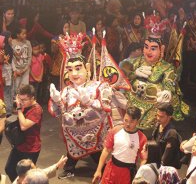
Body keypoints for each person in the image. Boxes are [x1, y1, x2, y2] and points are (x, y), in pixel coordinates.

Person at [48, 33, 127, 179]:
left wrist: (89, 101)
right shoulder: (67, 90)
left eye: (78, 68)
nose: (74, 73)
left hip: (95, 130)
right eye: (70, 70)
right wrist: (57, 101)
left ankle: (102, 168)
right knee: (73, 151)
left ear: (88, 68)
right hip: (74, 132)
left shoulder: (98, 86)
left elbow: (105, 108)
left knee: (98, 153)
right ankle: (70, 167)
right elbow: (60, 114)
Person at [120, 14, 188, 130]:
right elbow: (121, 75)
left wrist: (167, 93)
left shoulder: (166, 67)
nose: (148, 51)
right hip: (132, 102)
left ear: (161, 50)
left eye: (153, 48)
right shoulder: (136, 62)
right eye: (146, 47)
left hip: (152, 106)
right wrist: (134, 73)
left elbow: (169, 83)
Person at [92, 106, 147, 184]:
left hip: (127, 173)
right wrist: (98, 170)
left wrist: (139, 175)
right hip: (111, 169)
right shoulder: (115, 130)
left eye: (131, 122)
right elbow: (106, 150)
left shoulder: (142, 138)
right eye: (126, 120)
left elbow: (144, 159)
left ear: (137, 122)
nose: (127, 124)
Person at [5, 85, 43, 182]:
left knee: (28, 176)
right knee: (9, 169)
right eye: (19, 99)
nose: (21, 102)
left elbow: (24, 126)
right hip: (19, 145)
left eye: (24, 100)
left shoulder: (37, 110)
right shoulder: (23, 105)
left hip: (31, 148)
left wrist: (18, 108)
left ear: (33, 98)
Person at [152, 103, 182, 169]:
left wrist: (159, 168)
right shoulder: (157, 125)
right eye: (157, 115)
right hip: (156, 161)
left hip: (166, 168)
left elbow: (167, 157)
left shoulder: (171, 133)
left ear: (169, 117)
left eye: (161, 116)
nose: (158, 118)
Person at [11, 27, 32, 92]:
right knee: (15, 89)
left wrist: (25, 69)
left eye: (25, 34)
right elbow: (11, 57)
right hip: (16, 70)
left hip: (25, 70)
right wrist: (15, 70)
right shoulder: (13, 42)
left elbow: (29, 57)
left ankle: (23, 101)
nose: (25, 35)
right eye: (23, 34)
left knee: (24, 89)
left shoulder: (28, 43)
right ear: (18, 35)